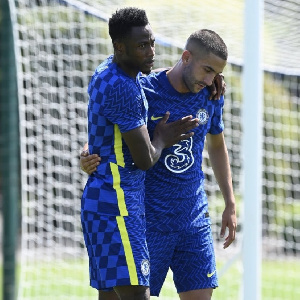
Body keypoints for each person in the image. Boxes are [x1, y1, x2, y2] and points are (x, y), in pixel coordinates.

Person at [82, 29, 237, 300]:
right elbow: (110, 129)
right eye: (207, 70)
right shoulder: (144, 88)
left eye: (217, 73)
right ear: (186, 57)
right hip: (148, 220)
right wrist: (86, 153)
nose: (212, 79)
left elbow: (216, 145)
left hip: (193, 219)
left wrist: (230, 203)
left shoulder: (211, 94)